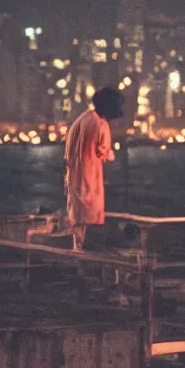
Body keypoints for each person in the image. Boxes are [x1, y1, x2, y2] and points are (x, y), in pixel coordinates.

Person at [64, 87, 124, 250]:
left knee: (77, 217)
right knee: (91, 217)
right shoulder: (101, 124)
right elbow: (103, 151)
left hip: (74, 176)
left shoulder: (82, 118)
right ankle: (85, 254)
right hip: (89, 176)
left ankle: (77, 250)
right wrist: (111, 154)